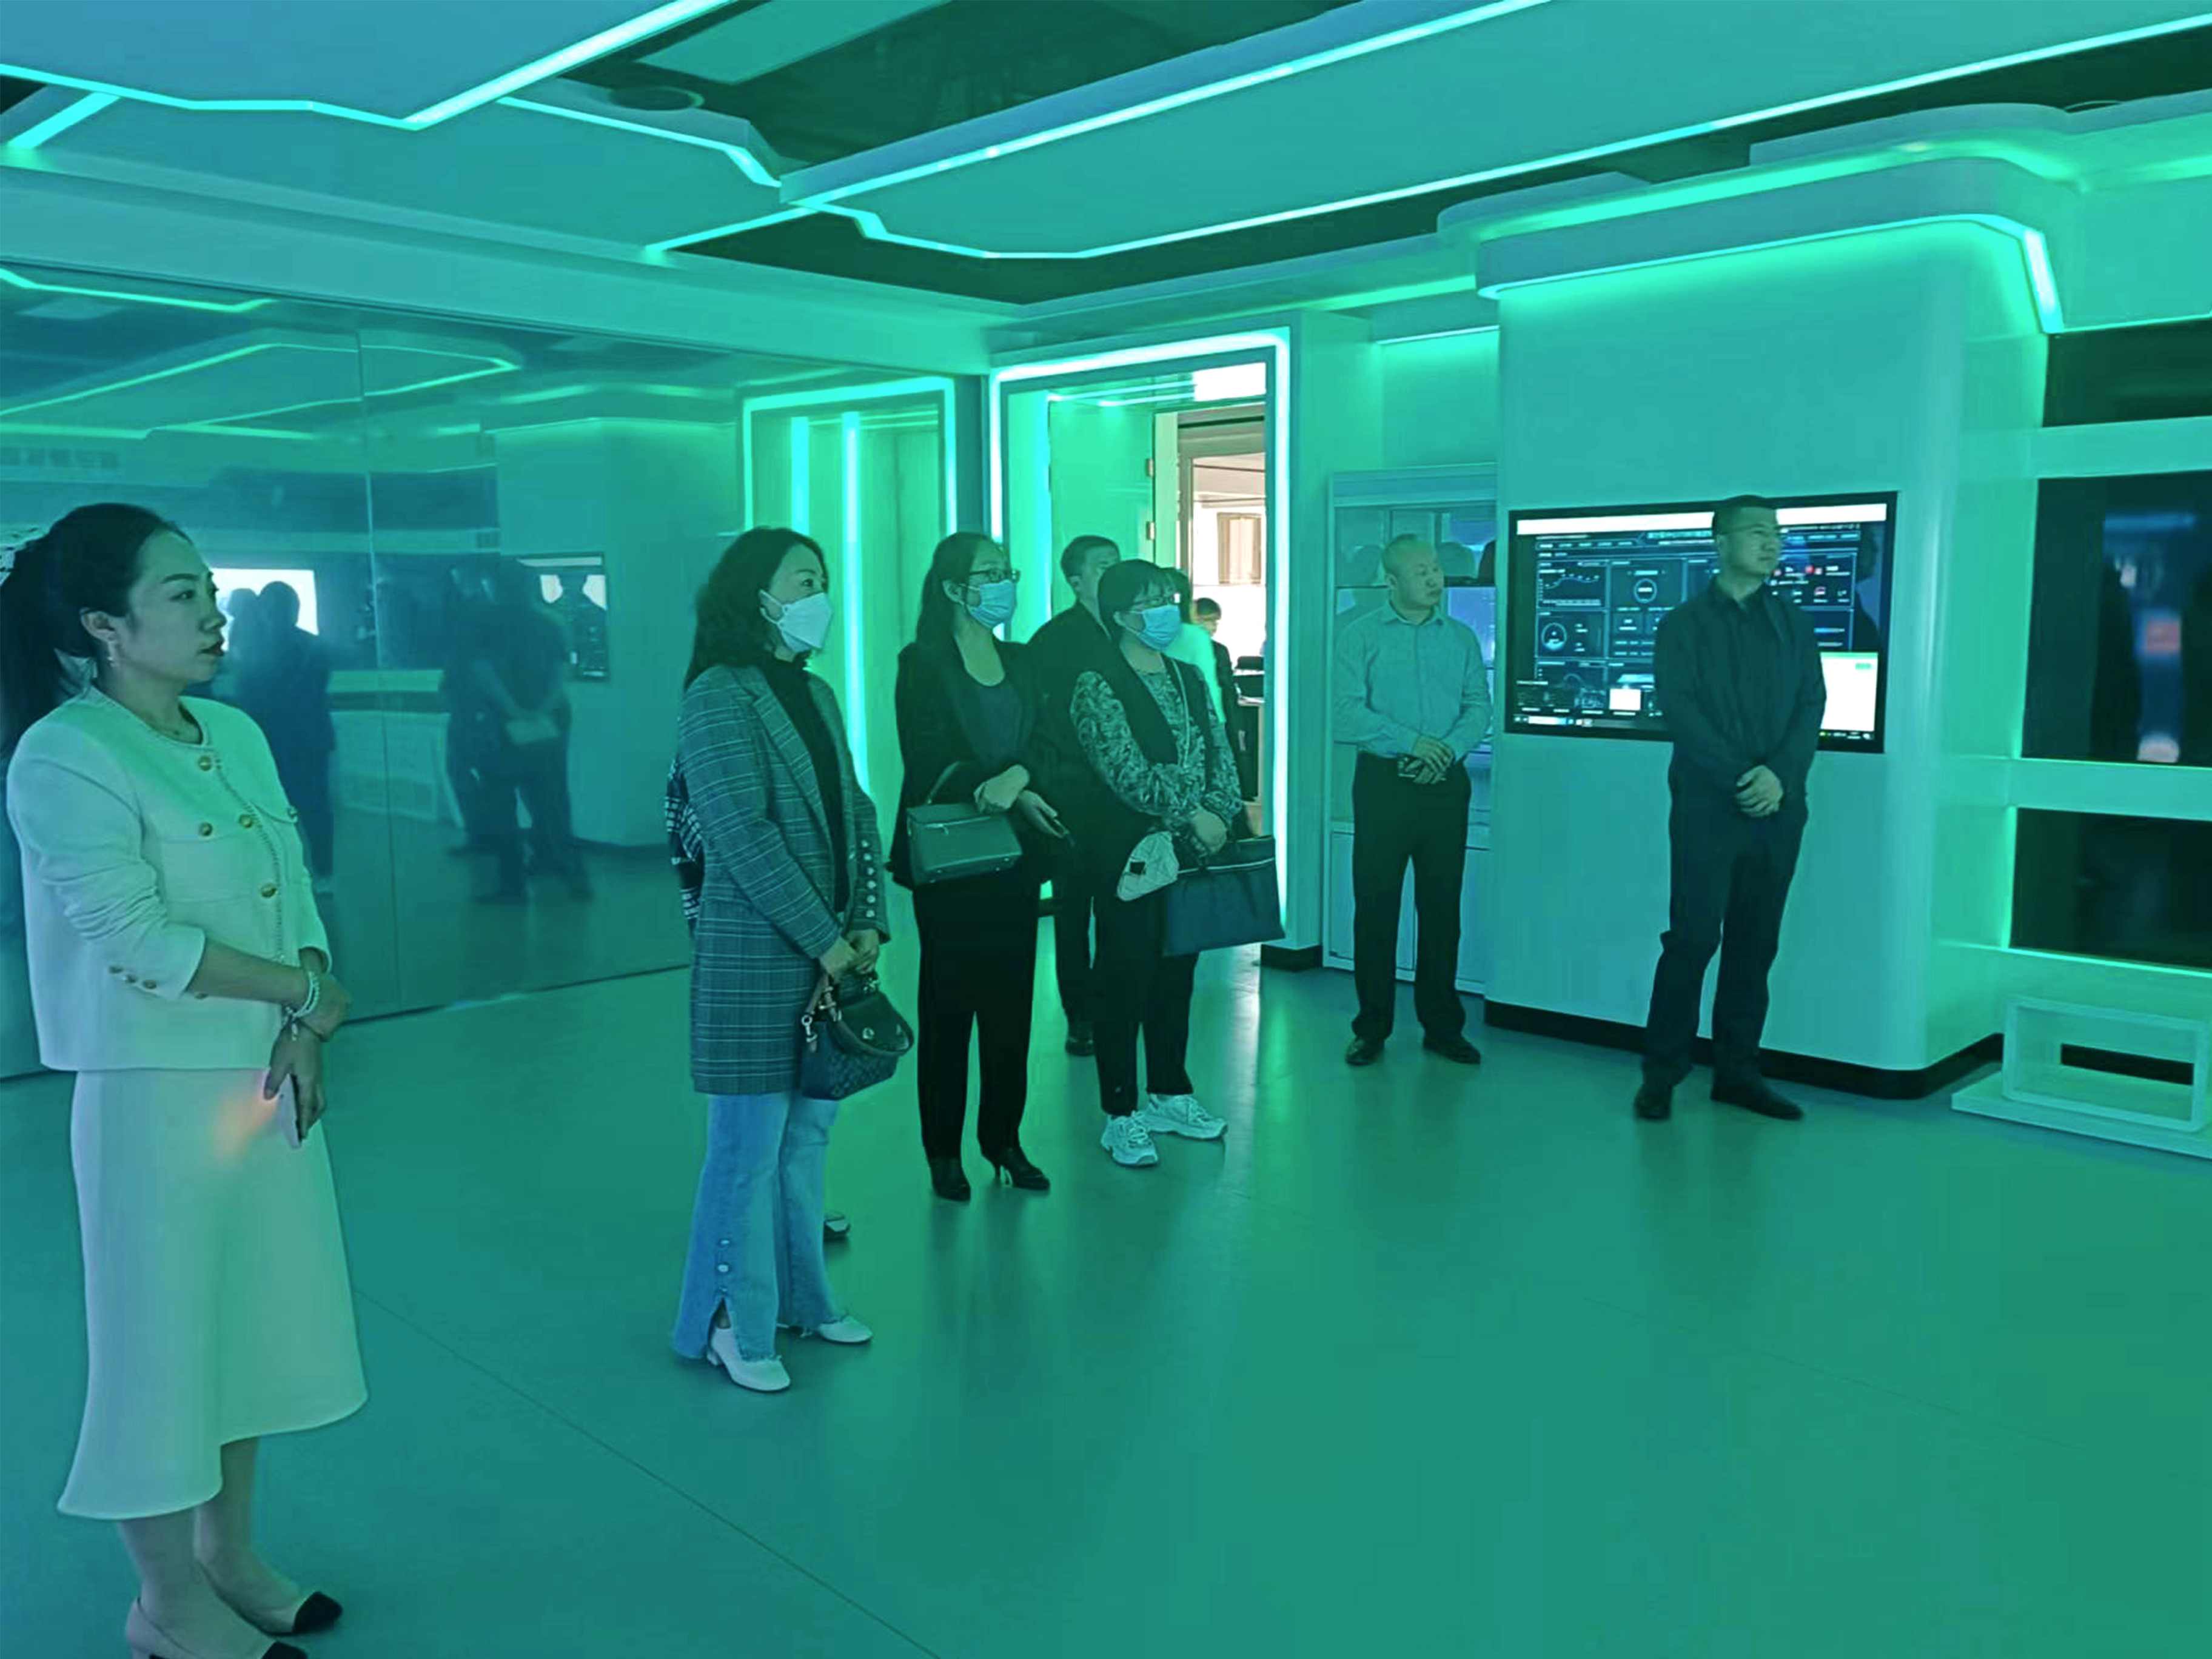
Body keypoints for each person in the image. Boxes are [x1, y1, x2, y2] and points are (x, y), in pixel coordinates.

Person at [1, 504, 364, 1659]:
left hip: (258, 1079)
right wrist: (303, 992)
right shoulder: (68, 753)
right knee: (158, 1348)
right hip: (152, 1094)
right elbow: (136, 938)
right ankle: (164, 1600)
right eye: (181, 595)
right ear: (104, 625)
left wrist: (303, 1015)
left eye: (209, 589)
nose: (213, 613)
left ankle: (230, 1555)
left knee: (244, 1326)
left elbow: (288, 885)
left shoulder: (235, 732)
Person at [668, 527, 888, 1395]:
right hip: (755, 960)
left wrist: (868, 922)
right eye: (803, 580)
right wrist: (826, 939)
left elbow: (856, 811)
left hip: (832, 952)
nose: (818, 595)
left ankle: (804, 1299)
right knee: (746, 1152)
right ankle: (730, 1321)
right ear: (754, 596)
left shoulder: (816, 693)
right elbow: (742, 835)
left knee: (806, 1145)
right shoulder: (718, 696)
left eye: (821, 579)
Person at [1637, 495, 1825, 1123]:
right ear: (1720, 543)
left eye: (1777, 533)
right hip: (1707, 810)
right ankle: (1662, 1074)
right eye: (1756, 532)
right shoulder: (1683, 625)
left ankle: (1738, 1074)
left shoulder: (1793, 623)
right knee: (1691, 940)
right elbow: (1682, 711)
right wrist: (1744, 777)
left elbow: (1812, 704)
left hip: (1779, 809)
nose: (1771, 543)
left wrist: (1780, 776)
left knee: (1755, 944)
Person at [890, 532, 1064, 1201]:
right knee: (947, 1005)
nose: (1002, 583)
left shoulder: (1022, 660)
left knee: (1010, 1006)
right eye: (988, 573)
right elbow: (927, 753)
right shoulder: (922, 662)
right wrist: (1005, 783)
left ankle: (1004, 1140)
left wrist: (1021, 776)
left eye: (1005, 571)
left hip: (1015, 858)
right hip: (951, 857)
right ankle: (943, 1150)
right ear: (953, 587)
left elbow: (1048, 739)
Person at [1064, 560, 1242, 1167]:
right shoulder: (1098, 683)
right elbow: (1125, 773)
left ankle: (1170, 1091)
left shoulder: (1188, 675)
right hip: (1130, 853)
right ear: (1121, 615)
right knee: (1125, 977)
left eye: (1169, 598)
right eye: (1150, 603)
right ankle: (1121, 1112)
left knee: (1176, 972)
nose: (1166, 610)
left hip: (1192, 850)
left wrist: (1219, 812)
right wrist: (1191, 814)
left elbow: (1220, 751)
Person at [1333, 535, 1490, 1068]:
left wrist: (1445, 751)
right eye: (1420, 571)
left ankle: (1442, 1026)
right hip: (1384, 784)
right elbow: (1346, 713)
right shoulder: (1359, 636)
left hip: (1445, 784)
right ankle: (1371, 1027)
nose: (1433, 578)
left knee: (1442, 908)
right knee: (1376, 907)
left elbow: (1478, 707)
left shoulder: (1461, 638)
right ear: (1391, 580)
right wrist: (1412, 743)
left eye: (1436, 569)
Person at [1026, 533, 1123, 1056]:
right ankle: (1079, 1014)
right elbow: (1041, 722)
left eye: (1117, 563)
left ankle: (1115, 1003)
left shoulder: (1129, 631)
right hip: (1073, 794)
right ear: (1076, 580)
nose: (1113, 573)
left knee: (1121, 906)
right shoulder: (1054, 640)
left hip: (1125, 798)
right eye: (1103, 566)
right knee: (1073, 911)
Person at [471, 562, 588, 903]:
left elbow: (483, 672)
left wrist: (513, 709)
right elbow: (561, 671)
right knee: (553, 799)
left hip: (502, 725)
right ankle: (571, 873)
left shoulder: (483, 623)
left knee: (502, 803)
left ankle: (512, 884)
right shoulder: (548, 622)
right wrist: (542, 708)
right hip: (549, 721)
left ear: (494, 586)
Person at [236, 582, 335, 885]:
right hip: (308, 740)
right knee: (315, 808)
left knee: (272, 810)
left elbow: (248, 698)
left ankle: (283, 871)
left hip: (271, 740)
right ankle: (323, 871)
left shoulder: (254, 649)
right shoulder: (315, 647)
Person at [1159, 569, 1230, 725]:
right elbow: (1210, 687)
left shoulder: (1193, 637)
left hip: (1186, 717)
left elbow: (1209, 685)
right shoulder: (1194, 636)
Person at [1192, 595, 1239, 723]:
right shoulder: (1217, 651)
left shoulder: (1219, 651)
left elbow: (1228, 691)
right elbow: (1228, 692)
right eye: (1209, 621)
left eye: (1216, 622)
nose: (1214, 627)